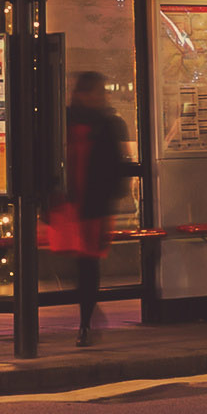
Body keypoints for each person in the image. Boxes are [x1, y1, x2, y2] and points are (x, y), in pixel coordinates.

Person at [42, 71, 135, 345]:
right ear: (81, 94)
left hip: (93, 205)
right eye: (96, 91)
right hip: (70, 205)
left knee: (87, 263)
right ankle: (88, 314)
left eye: (102, 92)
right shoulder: (67, 120)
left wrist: (114, 198)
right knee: (81, 263)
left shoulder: (109, 123)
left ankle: (86, 321)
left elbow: (117, 167)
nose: (101, 97)